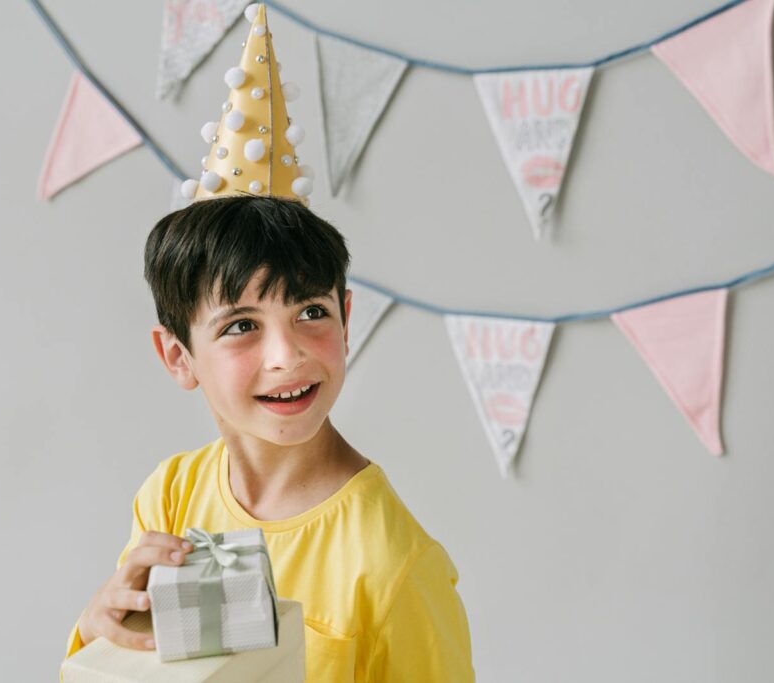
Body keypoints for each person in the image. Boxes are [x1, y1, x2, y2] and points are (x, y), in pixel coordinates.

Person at [62, 5, 473, 680]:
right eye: (242, 325)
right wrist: (94, 626)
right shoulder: (169, 498)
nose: (287, 353)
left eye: (310, 311)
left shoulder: (391, 561)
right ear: (177, 355)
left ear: (347, 316)